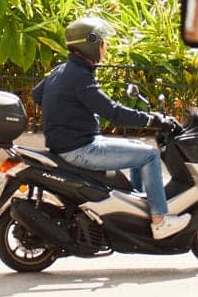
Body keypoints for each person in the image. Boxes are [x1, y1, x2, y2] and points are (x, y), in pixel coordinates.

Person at [31, 15, 189, 240]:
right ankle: (160, 220)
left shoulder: (62, 71)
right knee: (151, 155)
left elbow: (37, 95)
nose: (105, 48)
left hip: (72, 143)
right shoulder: (79, 77)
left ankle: (137, 208)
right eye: (102, 43)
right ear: (90, 44)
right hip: (80, 149)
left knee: (137, 148)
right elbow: (113, 113)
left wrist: (65, 109)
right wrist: (152, 120)